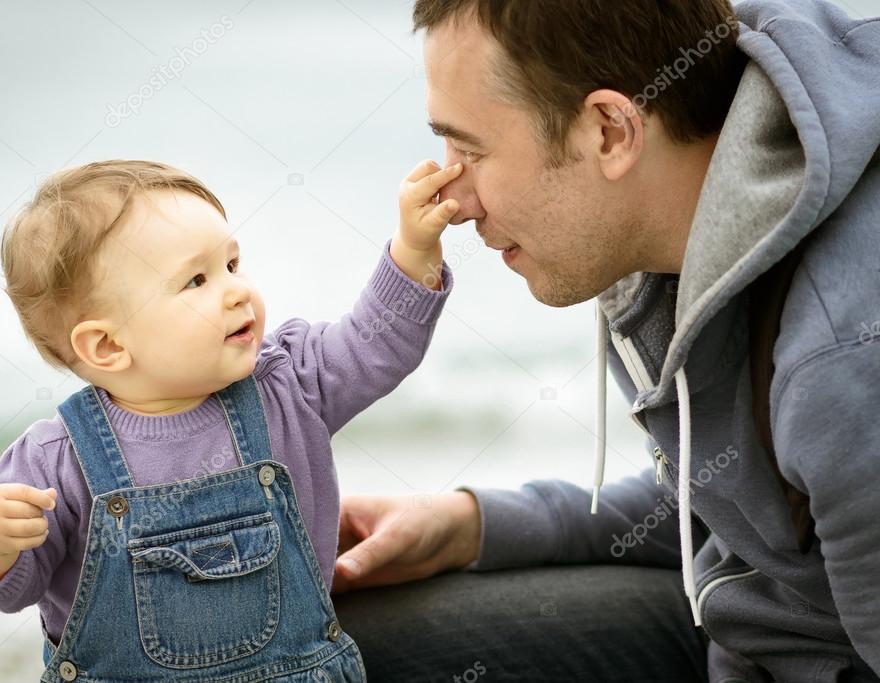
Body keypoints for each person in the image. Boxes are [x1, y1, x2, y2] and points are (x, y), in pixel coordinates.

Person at [332, 1, 880, 681]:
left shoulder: (845, 359)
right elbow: (739, 511)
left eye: (470, 149)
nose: (455, 199)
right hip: (737, 627)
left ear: (611, 130)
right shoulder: (677, 233)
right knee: (341, 640)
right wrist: (470, 526)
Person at [0, 158, 464, 681]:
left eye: (232, 265)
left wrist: (414, 250)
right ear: (107, 345)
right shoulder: (56, 462)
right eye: (196, 280)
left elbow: (374, 345)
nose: (236, 290)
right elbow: (15, 590)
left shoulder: (289, 387)